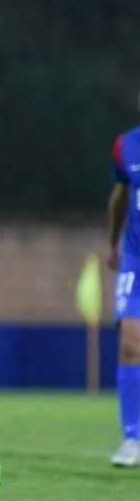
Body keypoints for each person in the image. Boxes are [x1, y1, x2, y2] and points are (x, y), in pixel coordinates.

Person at [107, 91, 140, 467]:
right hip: (135, 259)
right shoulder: (126, 146)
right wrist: (114, 242)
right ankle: (132, 437)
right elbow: (119, 197)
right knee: (131, 342)